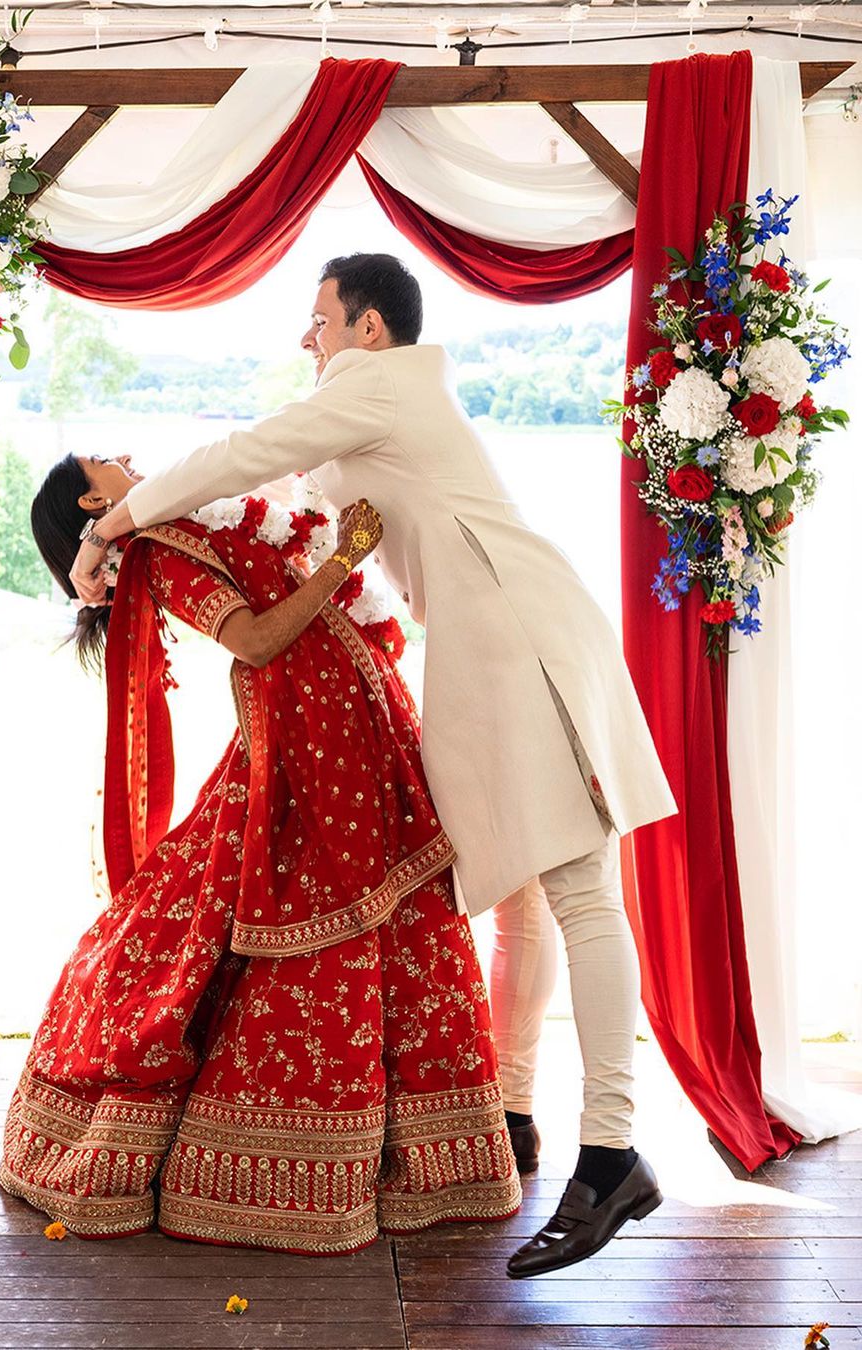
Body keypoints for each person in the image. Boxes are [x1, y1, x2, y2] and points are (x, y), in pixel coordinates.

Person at [68, 254, 677, 1277]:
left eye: (319, 320)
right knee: (526, 893)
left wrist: (110, 524)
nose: (306, 339)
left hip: (518, 632)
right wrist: (117, 538)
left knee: (580, 891)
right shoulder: (368, 411)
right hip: (493, 642)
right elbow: (259, 486)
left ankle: (612, 1155)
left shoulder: (377, 387)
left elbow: (245, 451)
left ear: (368, 329)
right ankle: (517, 1114)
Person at [0, 451, 522, 1253]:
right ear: (93, 500)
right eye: (106, 462)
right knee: (284, 914)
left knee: (401, 919)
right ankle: (291, 1162)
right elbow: (255, 640)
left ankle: (423, 1159)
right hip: (308, 750)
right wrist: (344, 559)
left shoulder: (185, 521)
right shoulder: (165, 551)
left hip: (352, 731)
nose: (126, 458)